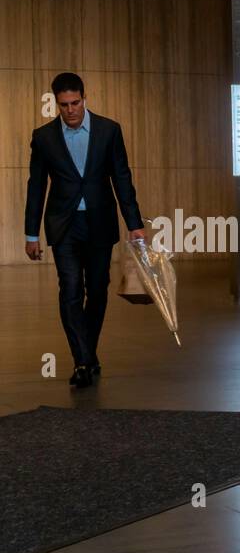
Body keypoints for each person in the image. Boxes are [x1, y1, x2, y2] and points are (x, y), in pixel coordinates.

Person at [24, 72, 147, 388]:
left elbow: (122, 178)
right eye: (63, 105)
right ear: (56, 104)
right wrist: (31, 234)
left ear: (84, 98)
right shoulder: (44, 137)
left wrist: (135, 224)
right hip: (64, 225)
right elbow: (36, 186)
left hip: (99, 222)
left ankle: (88, 351)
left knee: (98, 288)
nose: (70, 110)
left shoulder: (108, 131)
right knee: (70, 289)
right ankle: (81, 360)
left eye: (75, 102)